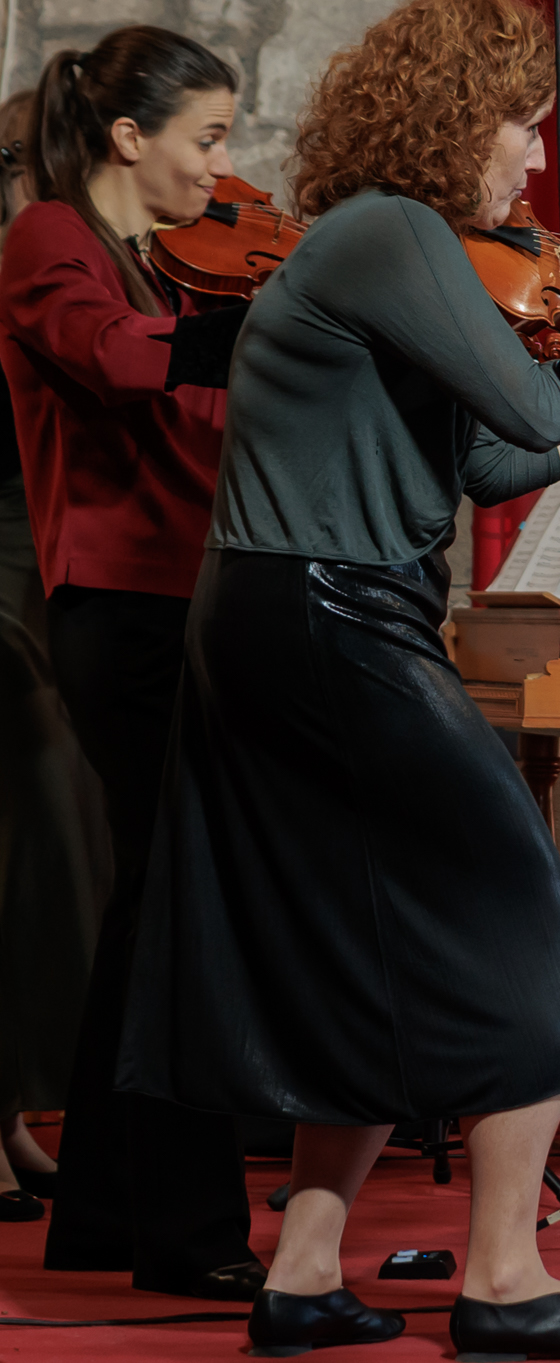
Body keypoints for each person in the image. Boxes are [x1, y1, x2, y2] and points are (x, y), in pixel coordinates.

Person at [115, 0, 560, 1354]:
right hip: (326, 612)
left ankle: (304, 1269)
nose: (537, 160)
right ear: (458, 119)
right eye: (524, 126)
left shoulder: (397, 252)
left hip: (299, 611)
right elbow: (529, 409)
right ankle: (505, 1278)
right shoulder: (386, 233)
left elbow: (495, 463)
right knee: (532, 920)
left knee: (368, 939)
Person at [0, 27, 263, 1293]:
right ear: (126, 136)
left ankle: (107, 1215)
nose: (222, 166)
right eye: (206, 138)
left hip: (183, 598)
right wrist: (264, 328)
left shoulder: (172, 261)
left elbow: (203, 420)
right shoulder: (51, 238)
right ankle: (189, 1232)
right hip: (121, 608)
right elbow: (107, 358)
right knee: (186, 911)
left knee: (152, 906)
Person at [0, 87, 108, 1229]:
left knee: (47, 857)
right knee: (19, 850)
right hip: (3, 595)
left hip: (41, 576)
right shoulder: (29, 261)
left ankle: (14, 1116)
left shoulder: (73, 259)